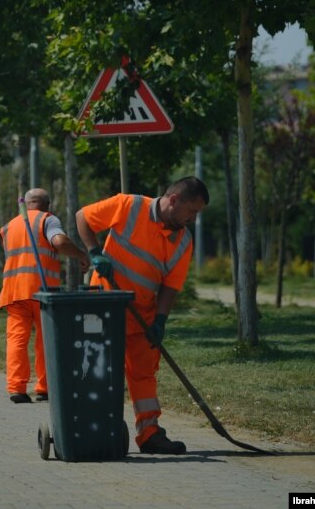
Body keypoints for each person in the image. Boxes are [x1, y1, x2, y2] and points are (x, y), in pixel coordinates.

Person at [76, 176, 209, 454]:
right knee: (98, 371)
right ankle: (95, 429)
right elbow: (83, 217)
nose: (193, 219)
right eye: (191, 211)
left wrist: (160, 319)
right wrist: (95, 252)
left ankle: (149, 434)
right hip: (104, 306)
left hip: (142, 315)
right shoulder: (129, 206)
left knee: (144, 374)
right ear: (174, 200)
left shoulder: (183, 241)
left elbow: (171, 286)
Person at [0, 188, 91, 404]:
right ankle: (45, 388)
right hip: (42, 291)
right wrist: (79, 254)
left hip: (14, 291)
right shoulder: (47, 220)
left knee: (17, 340)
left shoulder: (9, 226)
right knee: (46, 339)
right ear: (47, 205)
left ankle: (17, 389)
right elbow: (59, 242)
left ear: (27, 203)